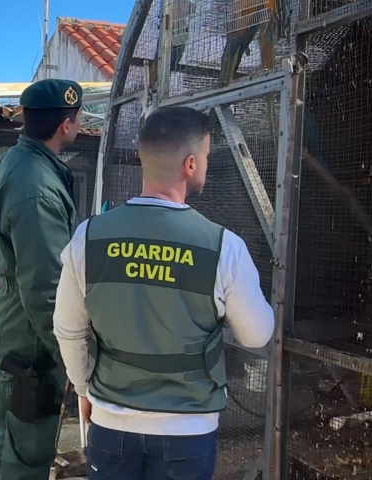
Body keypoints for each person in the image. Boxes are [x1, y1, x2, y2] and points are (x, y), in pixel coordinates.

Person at [53, 106, 275, 479]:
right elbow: (257, 335)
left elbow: (68, 329)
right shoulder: (225, 247)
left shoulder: (88, 238)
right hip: (188, 432)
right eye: (205, 157)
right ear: (190, 164)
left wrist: (83, 389)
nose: (205, 165)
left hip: (112, 422)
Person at [0, 78, 83, 480]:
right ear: (66, 125)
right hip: (28, 328)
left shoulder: (20, 159)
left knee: (9, 434)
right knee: (29, 448)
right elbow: (44, 288)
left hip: (11, 314)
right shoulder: (37, 187)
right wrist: (72, 358)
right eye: (76, 119)